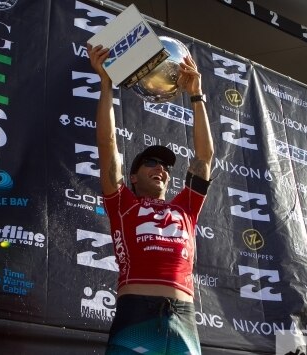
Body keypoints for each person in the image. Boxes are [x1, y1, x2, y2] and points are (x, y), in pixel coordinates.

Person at [88, 43, 214, 355]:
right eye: (150, 163)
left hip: (184, 319)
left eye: (165, 166)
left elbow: (205, 156)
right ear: (132, 177)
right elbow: (107, 144)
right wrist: (106, 84)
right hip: (136, 314)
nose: (160, 168)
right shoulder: (122, 203)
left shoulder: (186, 206)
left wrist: (196, 95)